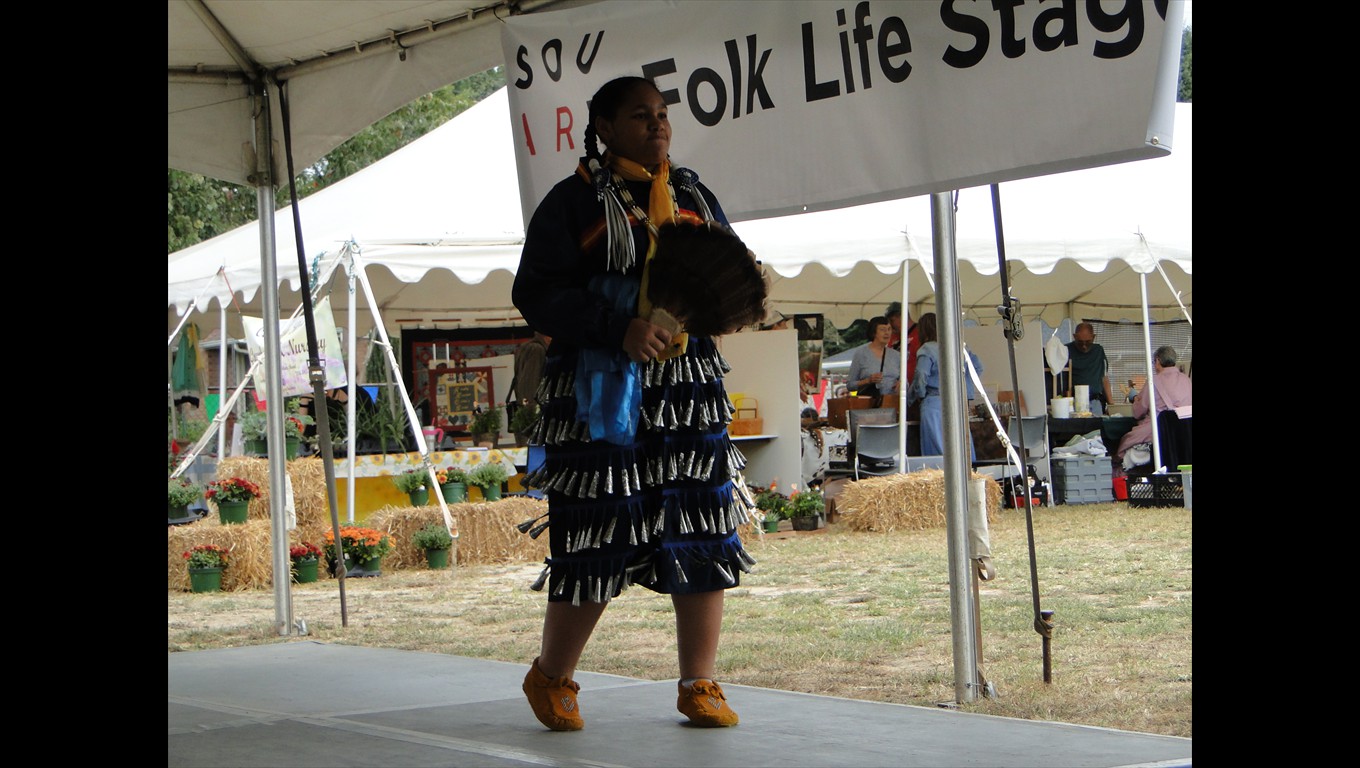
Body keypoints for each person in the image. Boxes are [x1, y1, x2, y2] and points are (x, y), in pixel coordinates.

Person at [510, 75, 765, 732]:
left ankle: (699, 683)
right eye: (639, 115)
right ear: (603, 127)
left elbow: (727, 268)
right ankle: (552, 676)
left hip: (685, 389)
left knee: (703, 520)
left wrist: (723, 302)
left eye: (661, 115)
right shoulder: (571, 204)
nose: (657, 125)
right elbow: (535, 294)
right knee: (599, 522)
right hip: (600, 386)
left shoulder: (689, 194)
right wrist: (616, 326)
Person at [905, 313, 984, 460]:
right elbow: (978, 368)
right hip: (958, 403)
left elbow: (921, 376)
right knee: (962, 448)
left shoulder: (927, 349)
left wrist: (915, 396)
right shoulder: (960, 347)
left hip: (934, 402)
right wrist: (964, 387)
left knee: (937, 450)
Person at [1115, 346, 1193, 472]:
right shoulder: (1187, 380)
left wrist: (1135, 398)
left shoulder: (1154, 381)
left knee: (1125, 443)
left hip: (1161, 431)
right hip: (1187, 435)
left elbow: (1138, 411)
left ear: (1157, 360)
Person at [1064, 322, 1114, 414]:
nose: (1084, 346)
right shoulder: (1065, 350)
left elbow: (1104, 378)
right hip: (1072, 402)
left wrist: (1111, 405)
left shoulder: (1098, 351)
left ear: (1093, 337)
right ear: (1074, 337)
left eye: (1088, 342)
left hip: (1095, 401)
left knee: (1096, 426)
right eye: (1080, 342)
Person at [848, 316, 901, 403]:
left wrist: (901, 384)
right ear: (873, 332)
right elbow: (850, 385)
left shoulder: (897, 355)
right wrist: (868, 380)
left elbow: (905, 381)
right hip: (869, 404)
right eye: (883, 330)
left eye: (889, 329)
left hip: (892, 403)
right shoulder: (861, 354)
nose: (887, 333)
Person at [510, 331, 551, 410]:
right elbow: (530, 380)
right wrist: (531, 408)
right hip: (533, 406)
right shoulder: (536, 349)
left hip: (526, 403)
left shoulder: (527, 347)